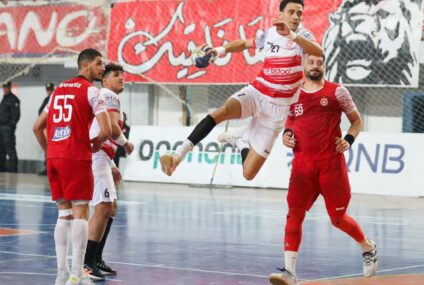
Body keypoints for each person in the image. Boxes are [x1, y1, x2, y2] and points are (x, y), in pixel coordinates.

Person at [160, 0, 323, 180]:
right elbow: (245, 44)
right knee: (223, 111)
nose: (295, 16)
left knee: (248, 173)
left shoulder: (303, 35)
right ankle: (177, 156)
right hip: (257, 93)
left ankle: (240, 141)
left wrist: (292, 35)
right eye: (291, 12)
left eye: (299, 13)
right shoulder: (270, 34)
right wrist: (218, 50)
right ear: (280, 15)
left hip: (278, 110)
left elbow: (318, 52)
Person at [268, 54, 378, 285]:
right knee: (294, 215)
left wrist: (348, 139)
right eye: (311, 62)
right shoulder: (294, 92)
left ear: (324, 65)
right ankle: (290, 272)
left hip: (331, 166)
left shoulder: (338, 92)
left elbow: (356, 121)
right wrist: (286, 136)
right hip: (302, 167)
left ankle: (367, 247)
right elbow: (289, 121)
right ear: (304, 65)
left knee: (337, 218)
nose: (315, 66)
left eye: (319, 62)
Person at [33, 48, 112, 285]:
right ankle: (78, 273)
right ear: (85, 65)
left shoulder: (57, 91)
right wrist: (96, 144)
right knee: (80, 213)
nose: (102, 68)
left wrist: (50, 152)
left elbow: (37, 127)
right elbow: (107, 130)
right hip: (75, 156)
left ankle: (62, 273)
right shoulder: (92, 91)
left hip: (54, 157)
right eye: (99, 64)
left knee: (63, 214)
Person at [84, 63, 134, 281]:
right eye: (116, 75)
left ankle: (96, 259)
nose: (121, 78)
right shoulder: (109, 95)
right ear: (105, 80)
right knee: (103, 208)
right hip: (97, 158)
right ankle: (86, 263)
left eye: (122, 75)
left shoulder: (106, 96)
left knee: (111, 208)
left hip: (103, 158)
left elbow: (100, 128)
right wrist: (126, 143)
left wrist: (113, 165)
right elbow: (112, 128)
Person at [0, 81, 20, 172]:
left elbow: (16, 115)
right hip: (1, 127)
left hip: (7, 129)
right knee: (1, 149)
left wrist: (10, 126)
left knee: (10, 148)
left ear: (9, 87)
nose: (4, 89)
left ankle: (13, 169)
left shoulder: (13, 99)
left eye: (6, 87)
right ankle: (2, 168)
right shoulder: (4, 98)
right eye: (3, 87)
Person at [38, 82, 55, 175]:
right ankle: (48, 167)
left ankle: (52, 167)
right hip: (46, 127)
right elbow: (40, 111)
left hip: (53, 128)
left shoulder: (55, 99)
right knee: (46, 147)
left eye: (50, 90)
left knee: (52, 147)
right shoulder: (46, 100)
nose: (49, 92)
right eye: (47, 90)